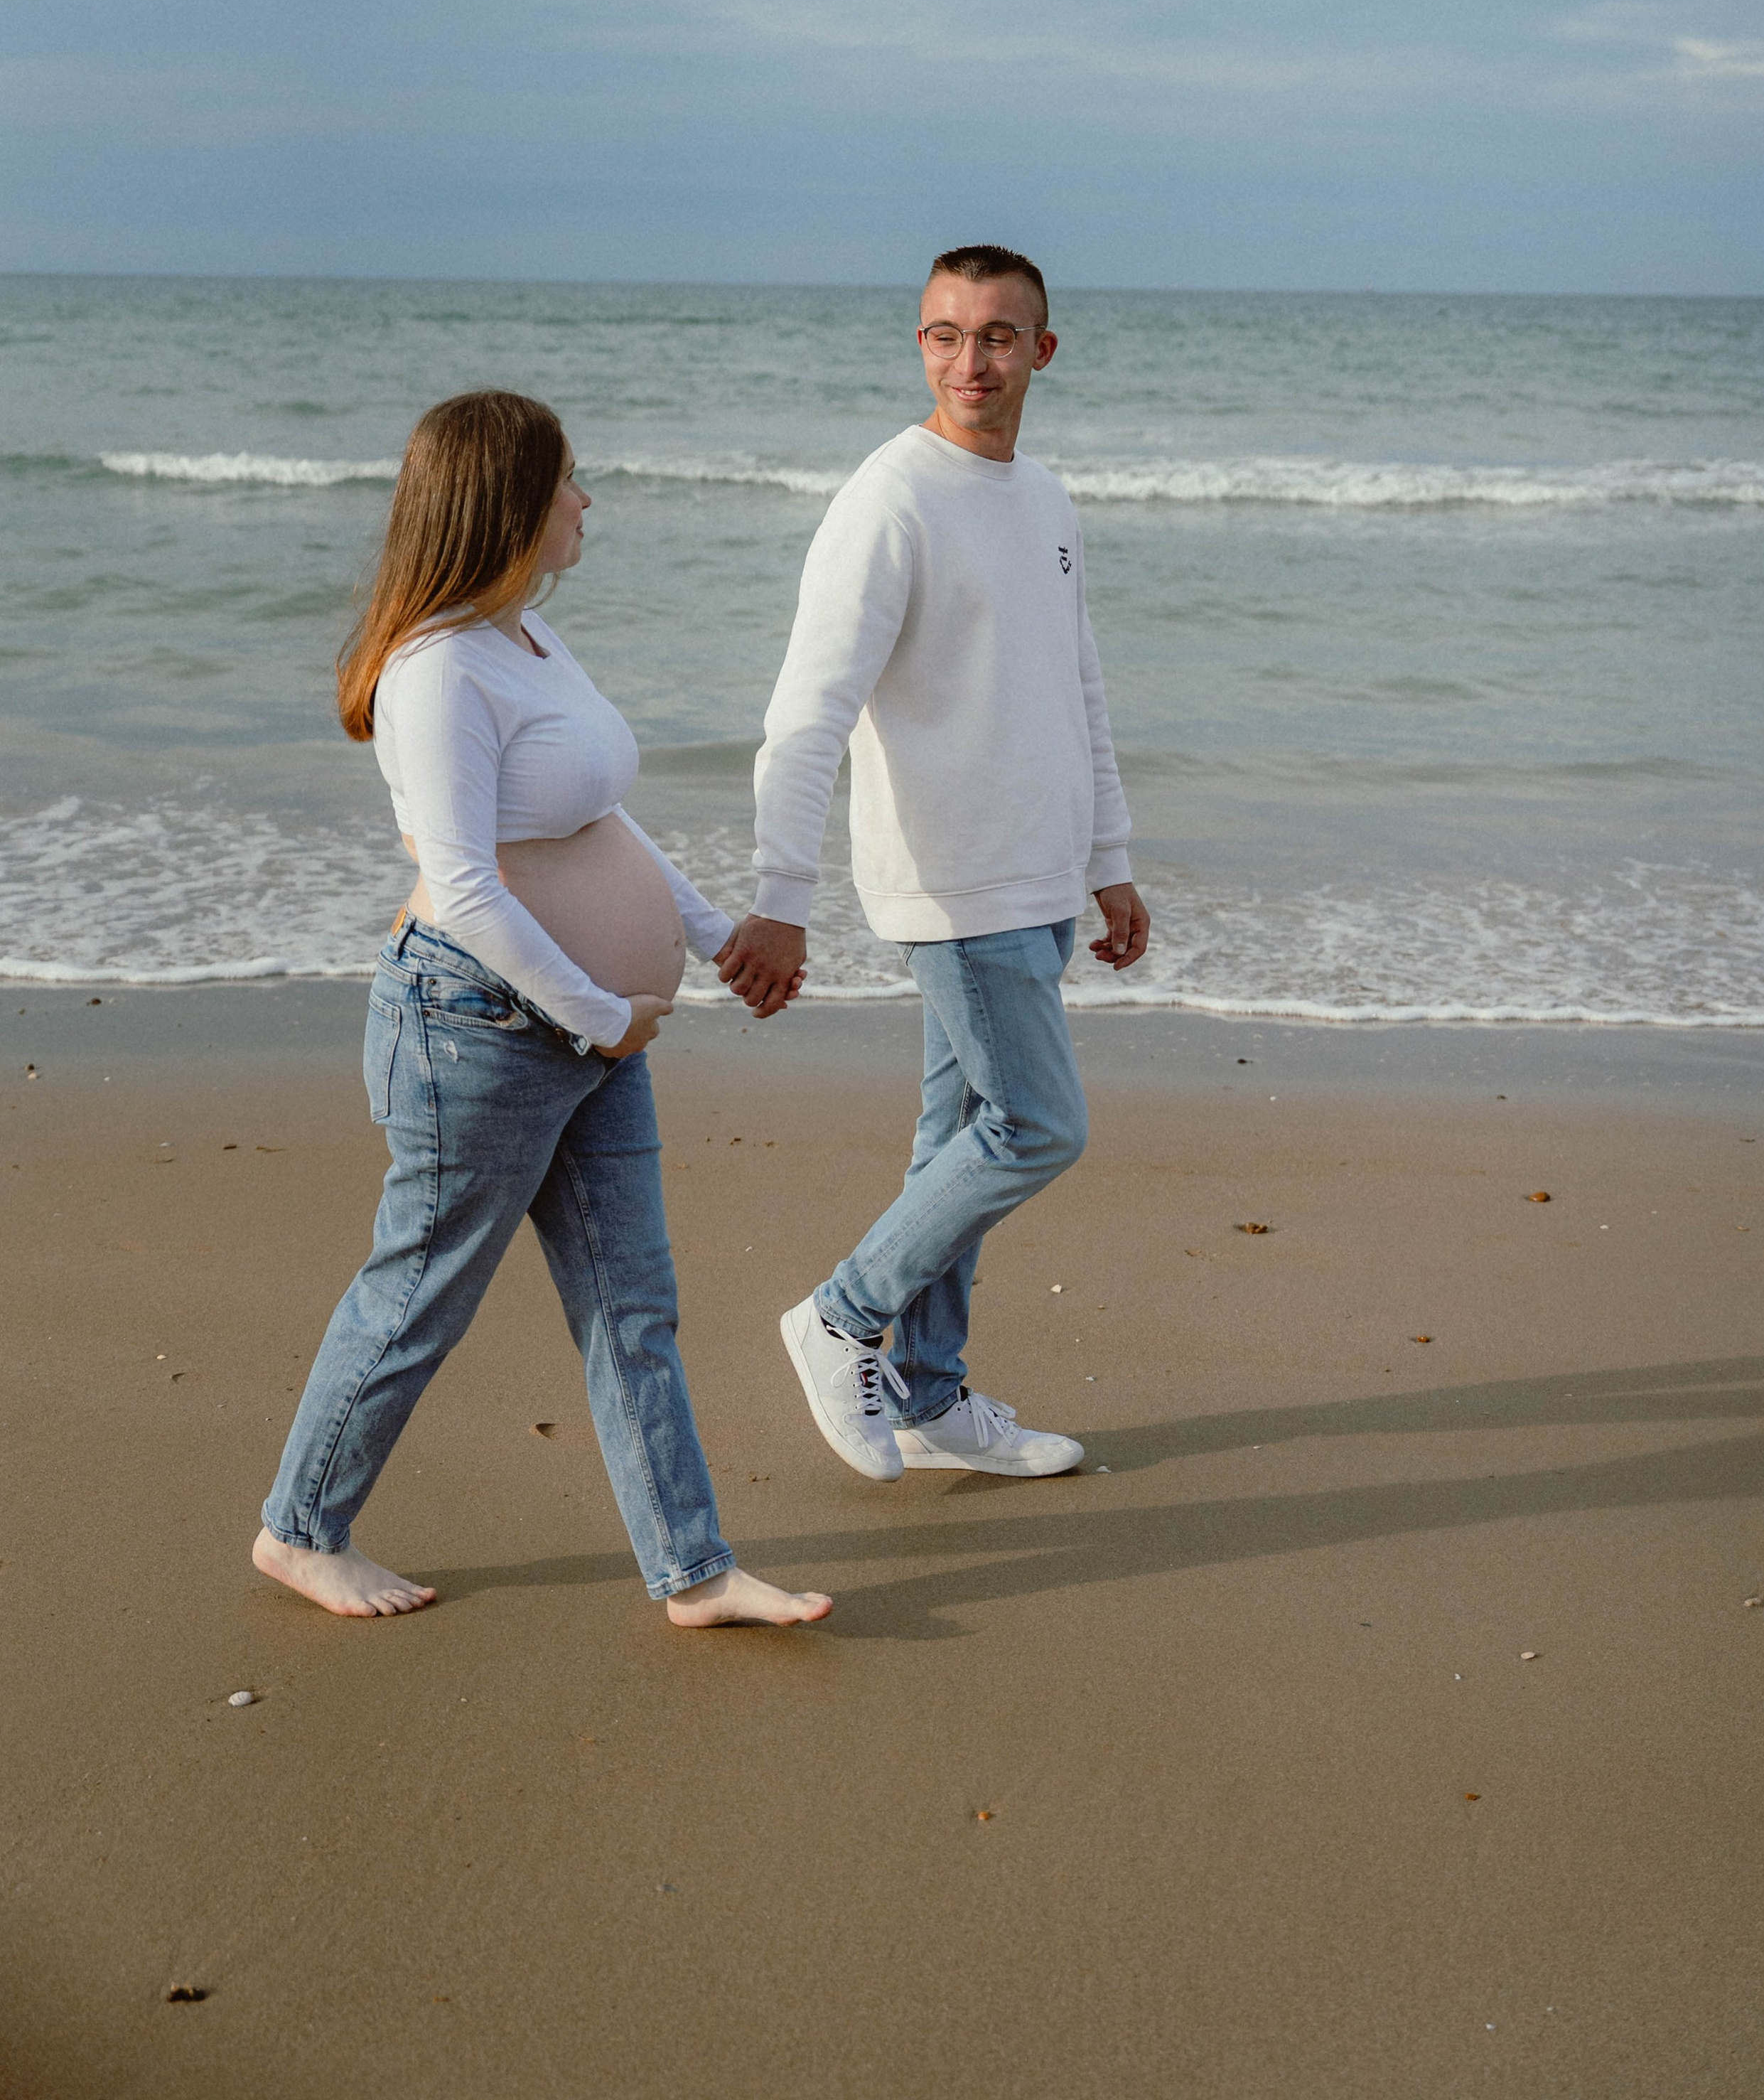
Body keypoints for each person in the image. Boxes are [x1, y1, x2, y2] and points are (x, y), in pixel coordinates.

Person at [254, 389, 830, 1627]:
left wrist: (713, 932)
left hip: (585, 1032)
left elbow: (600, 819)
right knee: (418, 1295)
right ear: (506, 503)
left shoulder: (522, 640)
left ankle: (697, 1571)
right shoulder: (436, 669)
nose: (585, 502)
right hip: (478, 1031)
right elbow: (462, 885)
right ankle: (300, 1530)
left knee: (635, 1305)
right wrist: (595, 1012)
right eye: (567, 482)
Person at [719, 247, 1151, 1479]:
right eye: (947, 335)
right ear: (920, 346)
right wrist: (780, 898)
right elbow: (807, 712)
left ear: (1042, 352)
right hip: (954, 880)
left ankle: (929, 1394)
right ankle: (844, 1313)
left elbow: (1079, 688)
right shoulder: (888, 499)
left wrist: (1109, 856)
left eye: (1001, 336)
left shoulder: (1048, 500)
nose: (974, 360)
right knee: (1038, 1124)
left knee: (956, 1140)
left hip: (1040, 872)